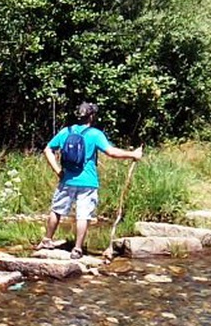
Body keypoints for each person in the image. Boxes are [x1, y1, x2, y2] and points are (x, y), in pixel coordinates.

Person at [38, 102, 143, 259]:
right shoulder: (95, 134)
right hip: (88, 182)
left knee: (57, 210)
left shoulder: (66, 131)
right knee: (83, 215)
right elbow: (111, 152)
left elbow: (47, 149)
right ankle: (77, 249)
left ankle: (46, 240)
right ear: (92, 116)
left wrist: (58, 171)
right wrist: (133, 154)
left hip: (66, 180)